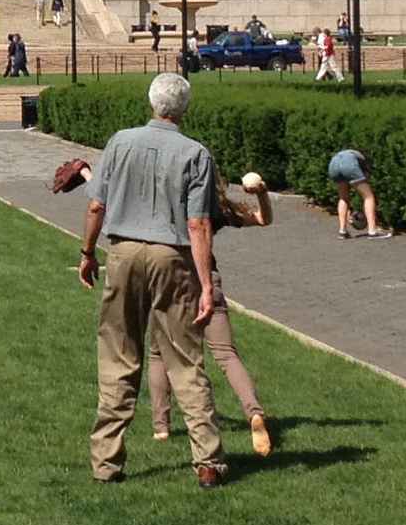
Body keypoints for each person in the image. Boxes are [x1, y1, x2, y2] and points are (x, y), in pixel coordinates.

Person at [76, 71, 227, 489]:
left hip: (123, 252)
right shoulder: (196, 153)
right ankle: (208, 460)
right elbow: (198, 224)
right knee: (184, 358)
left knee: (118, 356)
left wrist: (88, 253)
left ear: (152, 102)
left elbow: (95, 206)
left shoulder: (120, 141)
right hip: (172, 256)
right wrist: (206, 285)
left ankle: (106, 462)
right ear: (184, 108)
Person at [148, 172, 275, 458]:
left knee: (159, 353)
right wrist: (262, 192)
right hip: (209, 280)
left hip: (168, 282)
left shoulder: (162, 202)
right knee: (226, 355)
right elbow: (263, 219)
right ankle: (253, 412)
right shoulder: (214, 205)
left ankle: (161, 427)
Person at [328, 147, 390, 239]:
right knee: (369, 196)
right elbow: (366, 176)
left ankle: (342, 231)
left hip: (333, 163)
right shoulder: (363, 159)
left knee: (343, 198)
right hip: (348, 162)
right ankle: (372, 231)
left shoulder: (350, 153)